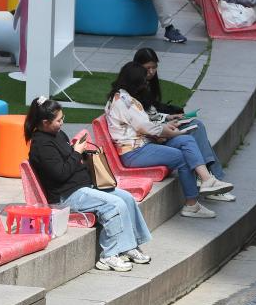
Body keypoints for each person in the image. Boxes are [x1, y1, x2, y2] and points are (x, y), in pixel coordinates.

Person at [25, 97, 152, 272]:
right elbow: (61, 174)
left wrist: (79, 153)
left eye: (63, 118)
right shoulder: (41, 145)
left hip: (82, 187)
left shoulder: (58, 134)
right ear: (45, 122)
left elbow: (68, 160)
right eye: (58, 120)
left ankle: (129, 246)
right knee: (115, 204)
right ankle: (108, 256)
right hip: (66, 195)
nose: (62, 123)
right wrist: (77, 152)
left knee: (127, 198)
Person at [105, 63, 234, 219]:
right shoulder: (124, 101)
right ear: (134, 83)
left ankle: (207, 180)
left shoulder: (124, 97)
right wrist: (169, 131)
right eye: (143, 82)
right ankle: (192, 205)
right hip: (134, 152)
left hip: (144, 145)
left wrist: (168, 128)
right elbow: (148, 128)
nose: (145, 85)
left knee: (186, 140)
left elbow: (146, 126)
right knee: (182, 157)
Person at [132, 48, 233, 199]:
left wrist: (168, 117)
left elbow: (151, 111)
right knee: (192, 134)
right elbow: (143, 122)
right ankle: (211, 180)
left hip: (158, 128)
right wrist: (165, 125)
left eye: (154, 67)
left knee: (196, 126)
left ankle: (210, 180)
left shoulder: (147, 84)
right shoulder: (130, 93)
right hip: (152, 137)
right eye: (148, 68)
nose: (151, 72)